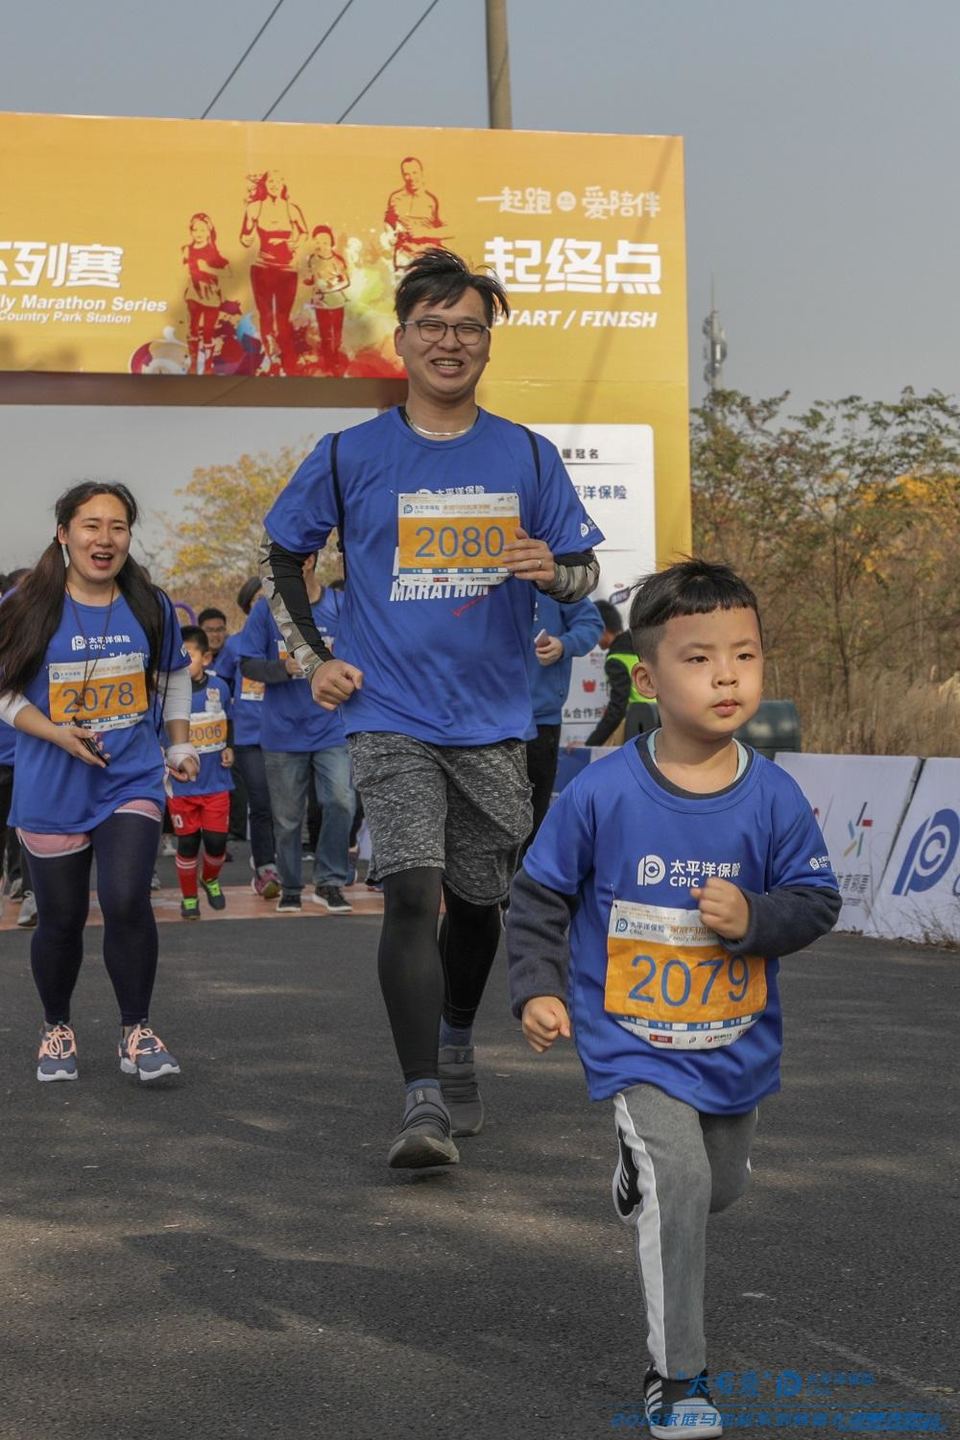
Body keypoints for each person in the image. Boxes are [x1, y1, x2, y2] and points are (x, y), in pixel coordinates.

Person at [258, 248, 604, 1170]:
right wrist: (315, 659)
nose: (450, 343)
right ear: (400, 340)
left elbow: (587, 573)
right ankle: (421, 1103)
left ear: (487, 345)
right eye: (433, 327)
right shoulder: (346, 455)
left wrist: (550, 569)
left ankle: (456, 1035)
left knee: (483, 901)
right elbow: (279, 556)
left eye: (468, 329)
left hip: (495, 718)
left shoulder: (528, 453)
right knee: (413, 888)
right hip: (389, 711)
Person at [506, 561, 841, 1438]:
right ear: (649, 681)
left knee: (716, 1186)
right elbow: (540, 898)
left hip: (734, 1041)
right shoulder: (600, 792)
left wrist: (756, 916)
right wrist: (538, 990)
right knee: (681, 1179)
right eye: (700, 660)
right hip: (632, 1041)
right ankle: (679, 1376)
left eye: (745, 654)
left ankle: (640, 1178)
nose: (728, 675)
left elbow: (817, 900)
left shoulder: (773, 796)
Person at [0, 482, 197, 1083]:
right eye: (90, 525)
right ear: (64, 534)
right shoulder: (25, 605)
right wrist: (58, 733)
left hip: (129, 777)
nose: (103, 539)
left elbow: (173, 677)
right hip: (52, 782)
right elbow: (5, 694)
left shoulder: (149, 604)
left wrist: (181, 742)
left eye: (117, 526)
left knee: (125, 898)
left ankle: (135, 1031)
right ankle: (56, 1027)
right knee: (59, 919)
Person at [238, 555, 354, 914]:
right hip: (283, 733)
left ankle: (330, 881)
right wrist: (283, 667)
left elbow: (364, 653)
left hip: (332, 727)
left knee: (341, 802)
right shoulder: (265, 611)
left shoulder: (340, 606)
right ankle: (290, 886)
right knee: (287, 818)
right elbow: (247, 663)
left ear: (310, 560)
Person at [214, 578, 281, 899]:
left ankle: (282, 858)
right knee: (262, 800)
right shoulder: (235, 645)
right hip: (249, 734)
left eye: (268, 596)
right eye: (257, 598)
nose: (264, 602)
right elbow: (221, 685)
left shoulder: (289, 641)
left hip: (286, 732)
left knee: (286, 803)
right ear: (246, 605)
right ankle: (266, 867)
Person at [523, 593, 604, 852]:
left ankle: (523, 887)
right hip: (480, 720)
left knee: (532, 822)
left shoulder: (550, 578)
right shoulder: (475, 571)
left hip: (539, 721)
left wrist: (563, 644)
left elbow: (591, 624)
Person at [166, 625, 234, 920]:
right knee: (188, 843)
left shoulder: (221, 688)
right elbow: (161, 739)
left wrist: (230, 747)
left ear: (206, 658)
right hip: (183, 788)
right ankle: (189, 897)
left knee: (217, 843)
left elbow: (228, 722)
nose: (182, 661)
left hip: (217, 782)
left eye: (188, 655)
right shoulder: (165, 696)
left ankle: (210, 878)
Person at [240, 169, 308, 376]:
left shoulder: (291, 209)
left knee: (283, 318)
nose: (274, 184)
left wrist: (293, 243)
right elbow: (245, 237)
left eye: (278, 181)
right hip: (262, 268)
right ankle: (270, 360)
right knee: (266, 316)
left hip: (287, 270)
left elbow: (304, 232)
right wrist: (249, 236)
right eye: (271, 181)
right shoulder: (255, 208)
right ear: (265, 184)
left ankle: (287, 362)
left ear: (283, 184)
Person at [586, 601, 659, 746]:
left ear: (602, 629)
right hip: (662, 722)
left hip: (638, 725)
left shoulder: (615, 659)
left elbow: (617, 709)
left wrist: (591, 744)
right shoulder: (643, 646)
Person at [383, 156, 452, 273]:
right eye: (407, 174)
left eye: (415, 172)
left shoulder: (434, 198)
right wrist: (390, 233)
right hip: (403, 259)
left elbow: (451, 230)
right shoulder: (395, 198)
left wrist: (424, 233)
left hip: (428, 260)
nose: (411, 178)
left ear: (421, 173)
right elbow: (389, 220)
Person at [182, 212, 231, 375]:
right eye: (195, 230)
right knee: (193, 328)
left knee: (209, 331)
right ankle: (194, 364)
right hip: (193, 294)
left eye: (203, 230)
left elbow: (228, 272)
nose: (199, 234)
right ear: (190, 231)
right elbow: (182, 271)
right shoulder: (186, 250)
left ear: (209, 232)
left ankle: (208, 366)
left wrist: (208, 269)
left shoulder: (212, 251)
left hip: (211, 296)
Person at [302, 225, 349, 375]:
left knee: (336, 334)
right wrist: (308, 280)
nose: (321, 245)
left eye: (325, 242)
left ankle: (335, 359)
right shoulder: (312, 260)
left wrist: (330, 288)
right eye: (318, 242)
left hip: (336, 302)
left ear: (331, 243)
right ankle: (330, 363)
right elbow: (310, 279)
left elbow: (346, 282)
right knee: (325, 334)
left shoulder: (337, 260)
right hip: (320, 304)